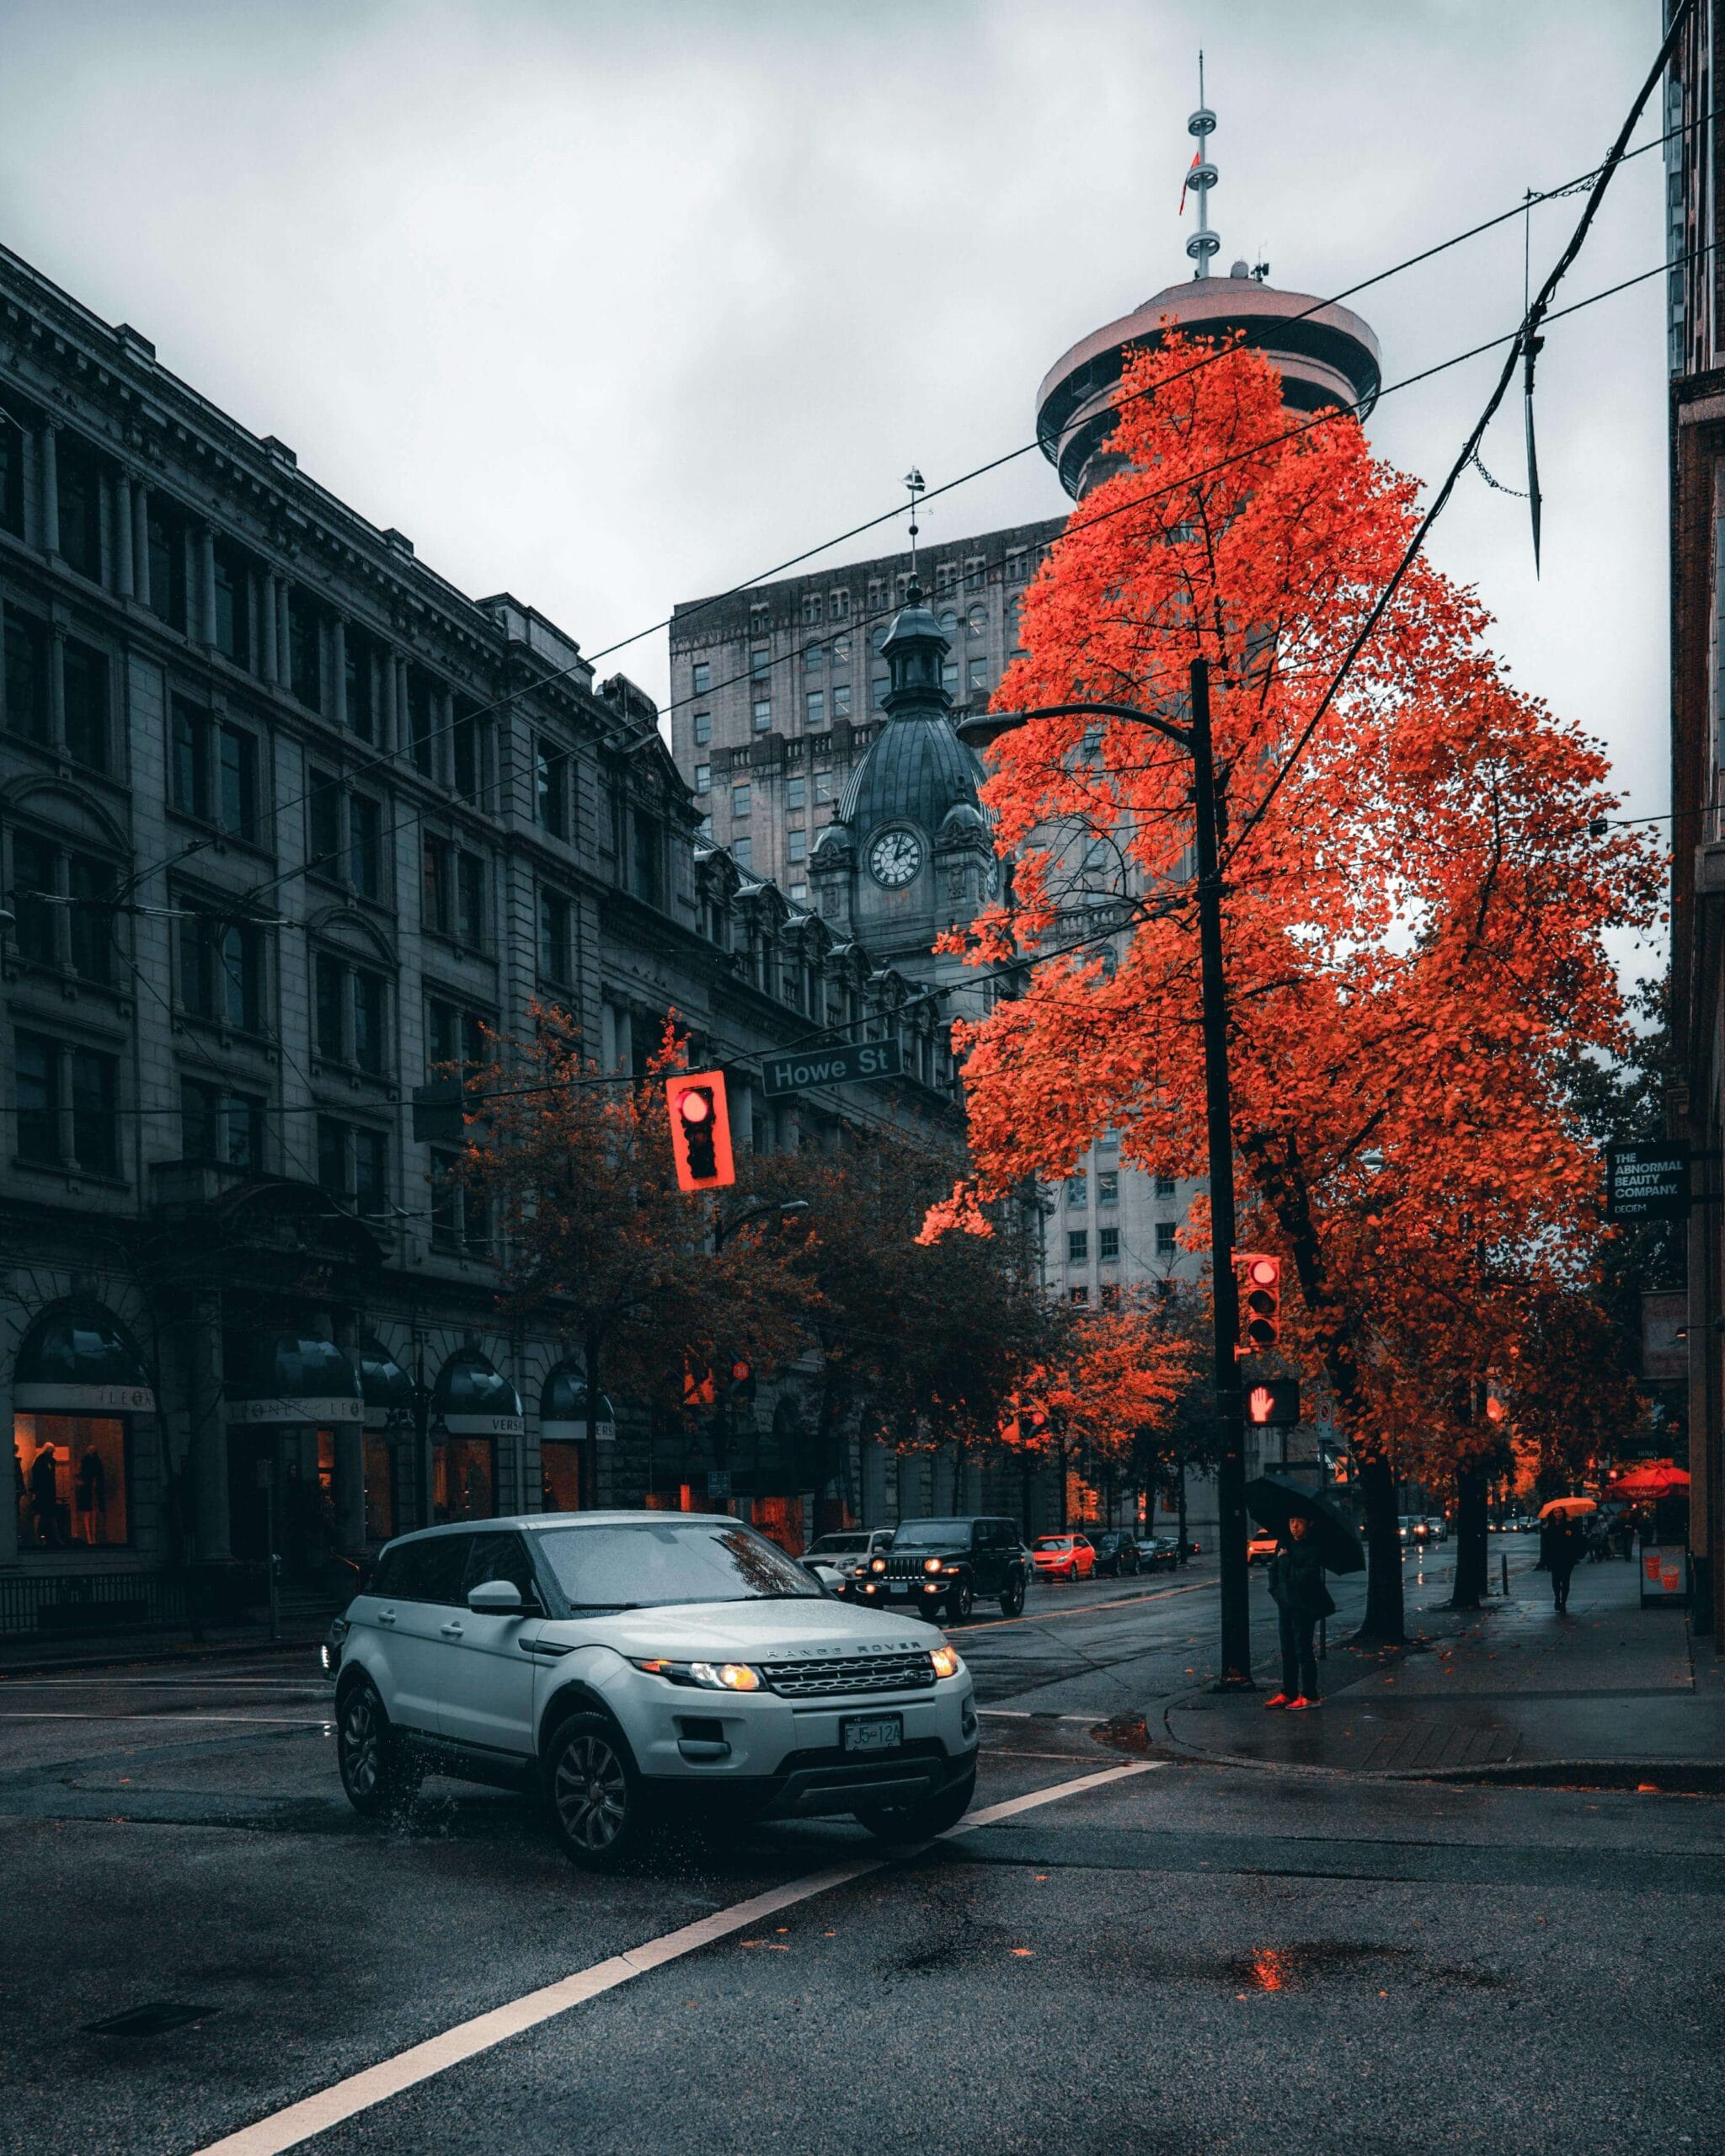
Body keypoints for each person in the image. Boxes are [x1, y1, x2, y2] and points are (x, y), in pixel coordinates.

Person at [1264, 1514, 1336, 1710]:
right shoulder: (1284, 1544)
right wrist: (1277, 1593)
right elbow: (1274, 1571)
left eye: (1299, 1522)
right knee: (1287, 1650)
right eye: (1291, 1522)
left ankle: (1310, 1695)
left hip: (1304, 1606)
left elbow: (1304, 1577)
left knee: (1302, 1649)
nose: (1294, 1526)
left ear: (1308, 1523)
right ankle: (1289, 1692)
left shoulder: (1312, 1548)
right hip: (1285, 1605)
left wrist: (1286, 1561)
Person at [1546, 1515, 1584, 1613]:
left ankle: (1563, 1602)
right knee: (1555, 1580)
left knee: (1565, 1579)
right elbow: (1547, 1540)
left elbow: (1578, 1536)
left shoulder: (1569, 1523)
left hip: (1567, 1556)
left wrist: (1571, 1529)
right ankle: (1557, 1597)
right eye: (1555, 1512)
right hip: (1554, 1556)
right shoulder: (1550, 1525)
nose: (1557, 1514)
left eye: (1559, 1512)